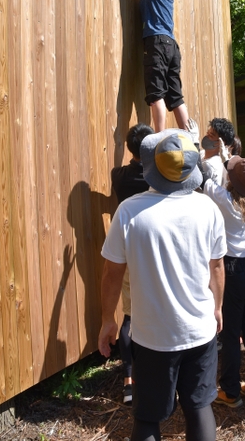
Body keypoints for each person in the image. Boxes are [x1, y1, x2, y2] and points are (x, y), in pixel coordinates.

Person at [99, 129, 226, 441]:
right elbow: (218, 266)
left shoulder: (129, 211)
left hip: (152, 336)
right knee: (199, 408)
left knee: (147, 417)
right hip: (199, 328)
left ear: (152, 167)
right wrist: (218, 308)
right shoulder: (207, 208)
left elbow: (112, 274)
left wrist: (107, 320)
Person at [204, 156, 245, 408]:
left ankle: (231, 392)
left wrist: (215, 153)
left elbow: (205, 177)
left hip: (233, 269)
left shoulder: (224, 198)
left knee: (230, 334)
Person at [128, 0, 189, 133]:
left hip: (157, 44)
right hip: (172, 46)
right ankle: (190, 138)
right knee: (176, 97)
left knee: (156, 95)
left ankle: (159, 139)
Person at [110, 123, 154, 404]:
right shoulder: (156, 176)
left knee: (128, 316)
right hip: (153, 250)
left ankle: (129, 379)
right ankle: (152, 372)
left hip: (127, 251)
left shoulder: (119, 176)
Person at [201, 118, 236, 187]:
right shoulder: (202, 153)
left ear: (221, 143)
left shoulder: (209, 165)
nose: (206, 136)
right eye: (207, 133)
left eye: (211, 135)